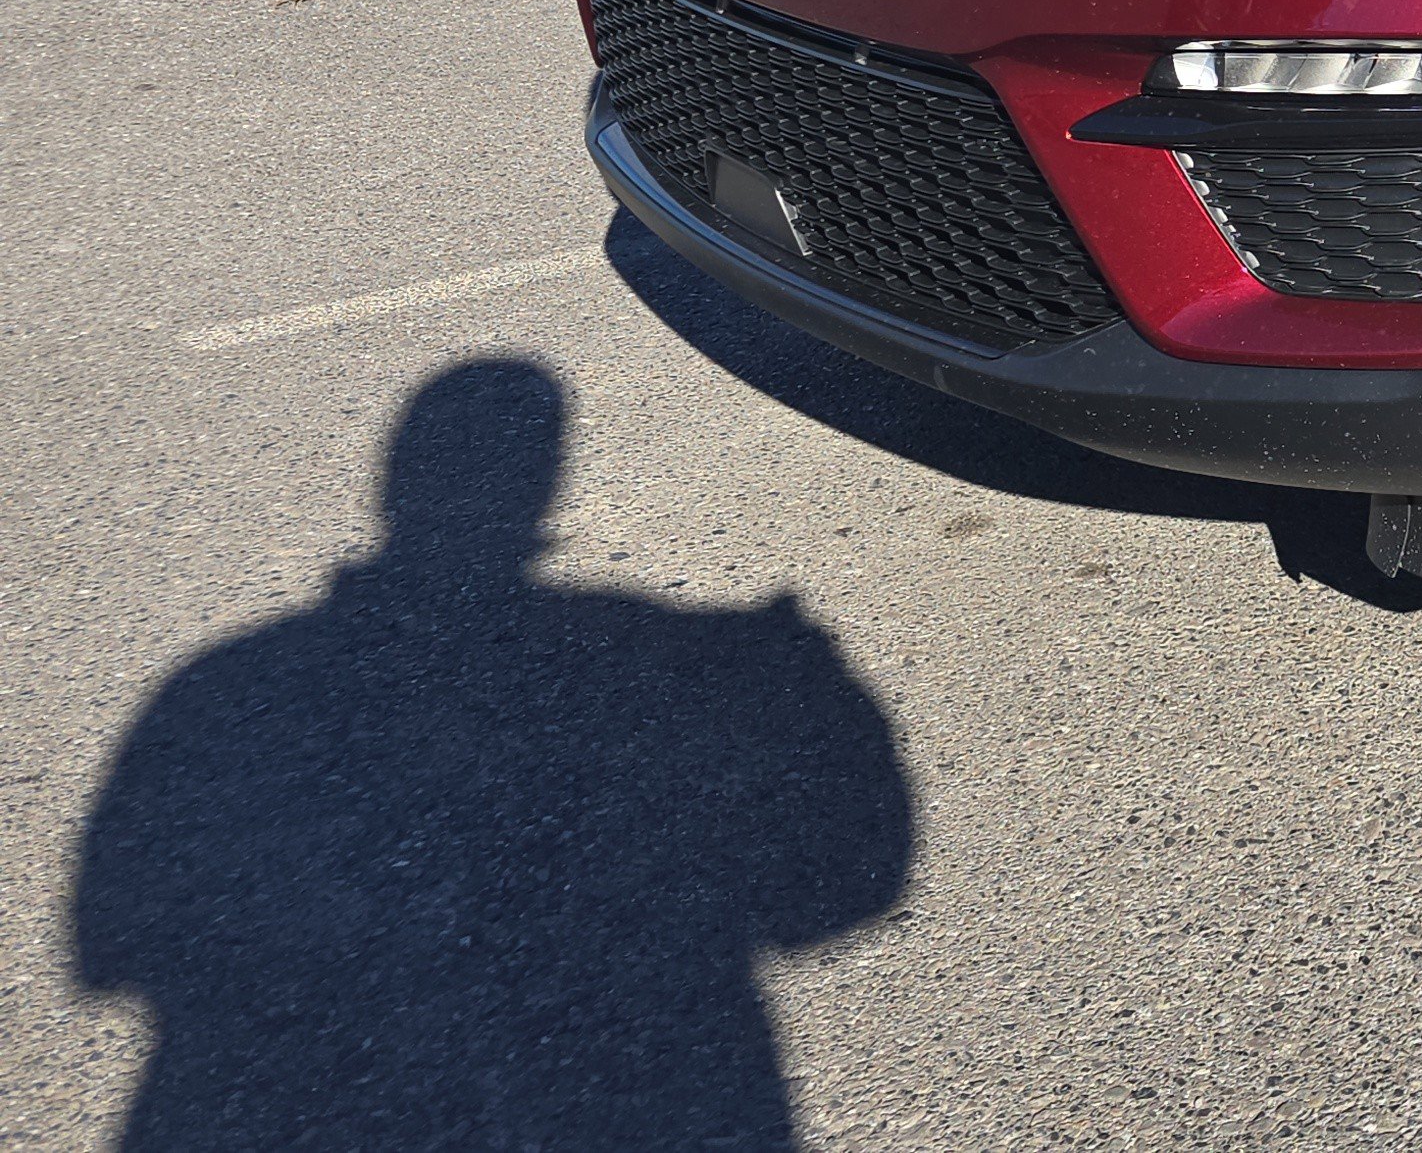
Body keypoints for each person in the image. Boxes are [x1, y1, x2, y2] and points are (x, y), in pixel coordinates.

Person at [73, 359, 912, 1150]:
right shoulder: (640, 645)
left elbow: (113, 948)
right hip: (632, 1077)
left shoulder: (222, 683)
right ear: (546, 483)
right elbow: (845, 887)